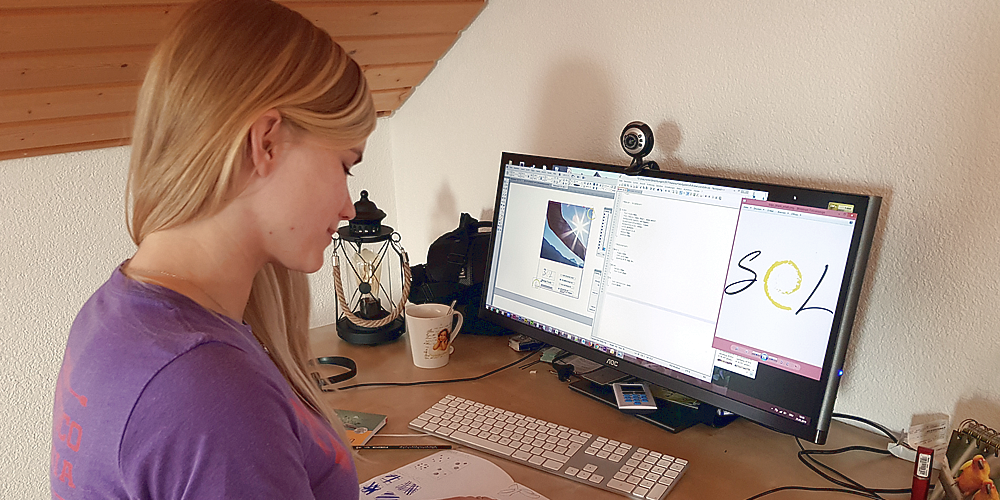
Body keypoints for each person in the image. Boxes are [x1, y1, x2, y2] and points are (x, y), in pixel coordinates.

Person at [48, 0, 463, 498]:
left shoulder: (114, 314)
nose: (348, 206)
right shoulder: (206, 390)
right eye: (344, 166)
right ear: (266, 142)